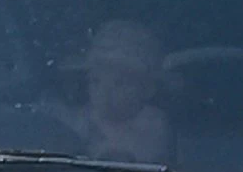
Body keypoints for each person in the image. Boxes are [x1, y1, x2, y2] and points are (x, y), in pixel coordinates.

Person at [66, 19, 172, 163]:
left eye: (119, 83)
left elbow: (147, 165)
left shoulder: (154, 124)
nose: (105, 93)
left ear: (147, 88)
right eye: (95, 81)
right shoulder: (81, 120)